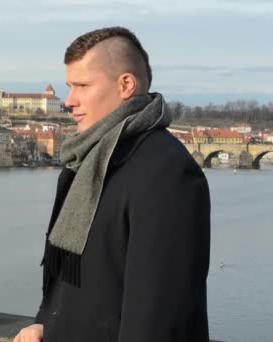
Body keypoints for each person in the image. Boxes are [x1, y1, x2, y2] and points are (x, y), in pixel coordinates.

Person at [15, 27, 210, 342]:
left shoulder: (166, 171)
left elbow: (160, 316)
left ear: (126, 85)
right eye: (69, 86)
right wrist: (44, 322)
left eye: (82, 85)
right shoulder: (83, 162)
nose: (69, 101)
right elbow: (68, 278)